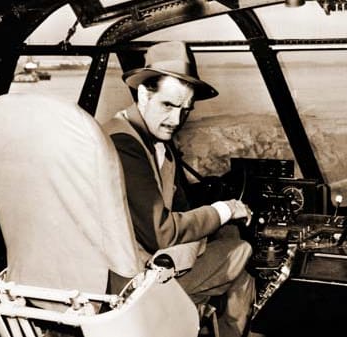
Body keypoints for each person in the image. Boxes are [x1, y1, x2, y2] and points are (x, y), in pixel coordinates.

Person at [102, 41, 255, 337]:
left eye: (185, 109)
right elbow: (161, 232)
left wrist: (218, 219)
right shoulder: (124, 144)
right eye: (168, 105)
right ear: (144, 93)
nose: (176, 120)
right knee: (241, 250)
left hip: (141, 265)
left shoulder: (155, 143)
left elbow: (179, 208)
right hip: (130, 286)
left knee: (229, 237)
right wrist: (224, 209)